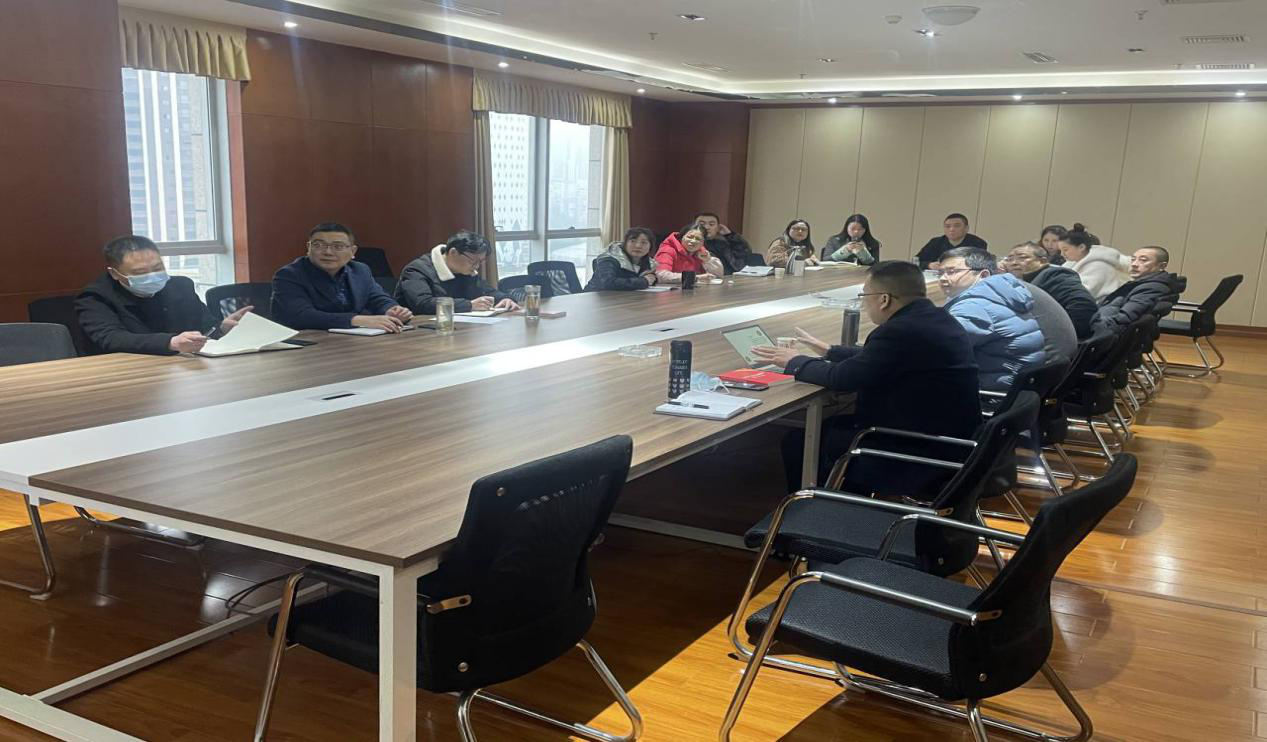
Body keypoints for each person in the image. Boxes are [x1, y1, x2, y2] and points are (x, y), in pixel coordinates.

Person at [751, 261, 981, 496]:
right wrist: (830, 351)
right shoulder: (936, 318)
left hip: (914, 446)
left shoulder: (899, 331)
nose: (863, 303)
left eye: (865, 296)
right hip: (946, 436)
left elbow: (842, 378)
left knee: (799, 442)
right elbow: (879, 358)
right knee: (825, 428)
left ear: (884, 299)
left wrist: (795, 362)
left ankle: (815, 506)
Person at [76, 235, 252, 355]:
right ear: (114, 273)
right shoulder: (95, 297)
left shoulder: (180, 286)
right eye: (140, 272)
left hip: (183, 368)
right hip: (125, 371)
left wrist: (222, 328)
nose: (152, 276)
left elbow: (204, 326)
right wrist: (170, 342)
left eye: (157, 268)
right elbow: (112, 338)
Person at [938, 247, 1046, 393]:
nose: (943, 278)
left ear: (983, 275)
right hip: (1017, 392)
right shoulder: (1002, 294)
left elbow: (936, 351)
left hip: (989, 395)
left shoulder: (973, 306)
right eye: (940, 272)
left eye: (952, 272)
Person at [271, 223, 413, 332]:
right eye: (318, 245)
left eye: (337, 246)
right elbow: (301, 316)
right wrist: (357, 320)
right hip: (307, 345)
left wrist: (392, 309)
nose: (327, 252)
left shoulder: (359, 270)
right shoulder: (290, 275)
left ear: (352, 251)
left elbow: (377, 298)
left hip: (352, 341)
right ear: (308, 248)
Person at [396, 231, 519, 314]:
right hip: (418, 331)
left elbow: (488, 291)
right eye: (473, 261)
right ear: (453, 252)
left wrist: (505, 298)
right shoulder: (417, 270)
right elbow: (423, 304)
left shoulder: (467, 271)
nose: (476, 266)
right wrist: (469, 305)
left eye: (480, 262)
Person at [1004, 241, 1098, 338]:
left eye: (1022, 257)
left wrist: (1067, 338)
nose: (1014, 263)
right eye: (1009, 259)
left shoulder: (1054, 275)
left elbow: (1083, 305)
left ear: (1042, 261)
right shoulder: (1016, 283)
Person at [1093, 246, 1184, 331]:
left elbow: (1124, 318)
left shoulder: (1151, 288)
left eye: (1143, 260)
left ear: (1161, 266)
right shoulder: (1142, 284)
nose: (1134, 264)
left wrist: (1090, 324)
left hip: (1104, 333)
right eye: (1133, 259)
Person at [1058, 223, 1130, 300]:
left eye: (1065, 250)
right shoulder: (1071, 262)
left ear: (1081, 247)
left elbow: (1083, 293)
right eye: (1061, 250)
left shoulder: (1100, 265)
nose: (1062, 254)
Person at [585, 227, 660, 291]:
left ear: (650, 246)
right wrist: (643, 281)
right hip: (594, 298)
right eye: (633, 241)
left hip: (624, 299)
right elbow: (608, 283)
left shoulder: (649, 263)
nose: (638, 246)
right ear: (625, 244)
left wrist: (653, 279)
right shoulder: (609, 258)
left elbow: (647, 280)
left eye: (643, 243)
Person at [654, 223, 725, 284]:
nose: (693, 241)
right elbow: (661, 275)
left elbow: (718, 277)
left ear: (703, 242)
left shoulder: (701, 252)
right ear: (681, 237)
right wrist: (695, 277)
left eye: (698, 239)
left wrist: (708, 261)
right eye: (689, 237)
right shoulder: (667, 250)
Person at [915, 213, 988, 269]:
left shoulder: (977, 243)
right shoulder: (935, 242)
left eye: (957, 226)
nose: (951, 229)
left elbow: (981, 264)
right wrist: (929, 265)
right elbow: (916, 262)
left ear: (966, 228)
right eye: (947, 226)